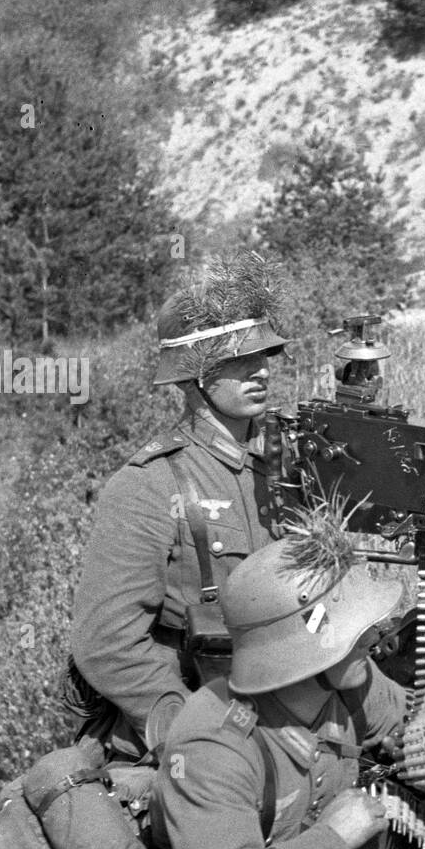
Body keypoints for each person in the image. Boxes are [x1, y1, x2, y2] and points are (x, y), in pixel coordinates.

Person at [148, 509, 425, 849]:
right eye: (355, 632)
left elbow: (416, 717)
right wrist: (333, 838)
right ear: (300, 652)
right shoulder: (213, 746)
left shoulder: (353, 682)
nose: (375, 637)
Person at [70, 253, 291, 763]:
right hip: (196, 717)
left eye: (262, 354)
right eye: (237, 359)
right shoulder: (148, 486)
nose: (259, 368)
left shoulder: (288, 466)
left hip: (287, 705)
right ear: (194, 376)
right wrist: (191, 731)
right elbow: (106, 642)